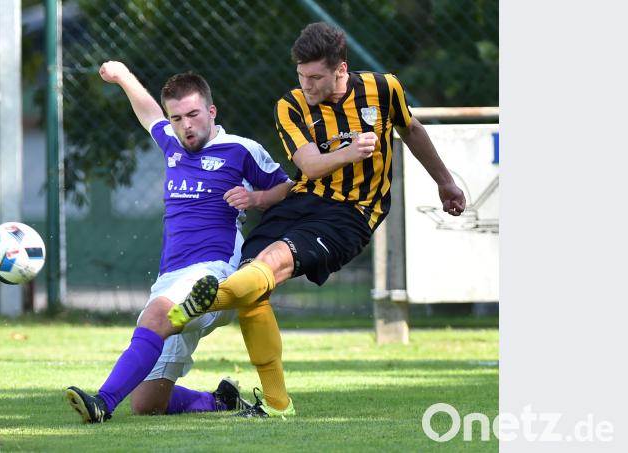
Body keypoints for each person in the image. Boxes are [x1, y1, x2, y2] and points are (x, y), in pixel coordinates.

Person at [167, 22, 467, 417]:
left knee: (268, 264)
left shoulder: (384, 88)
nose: (306, 84)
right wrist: (351, 151)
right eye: (300, 75)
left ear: (340, 70)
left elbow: (410, 129)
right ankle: (277, 404)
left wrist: (445, 182)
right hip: (301, 199)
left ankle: (189, 308)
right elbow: (308, 164)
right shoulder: (289, 105)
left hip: (352, 213)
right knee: (253, 288)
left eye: (315, 77)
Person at [65, 61, 293, 424]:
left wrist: (257, 200)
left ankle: (102, 403)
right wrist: (124, 77)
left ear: (211, 111)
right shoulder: (171, 142)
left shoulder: (240, 150)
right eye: (177, 118)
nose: (186, 125)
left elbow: (285, 185)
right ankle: (220, 401)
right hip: (172, 277)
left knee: (157, 314)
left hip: (215, 273)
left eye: (193, 114)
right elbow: (149, 114)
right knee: (147, 402)